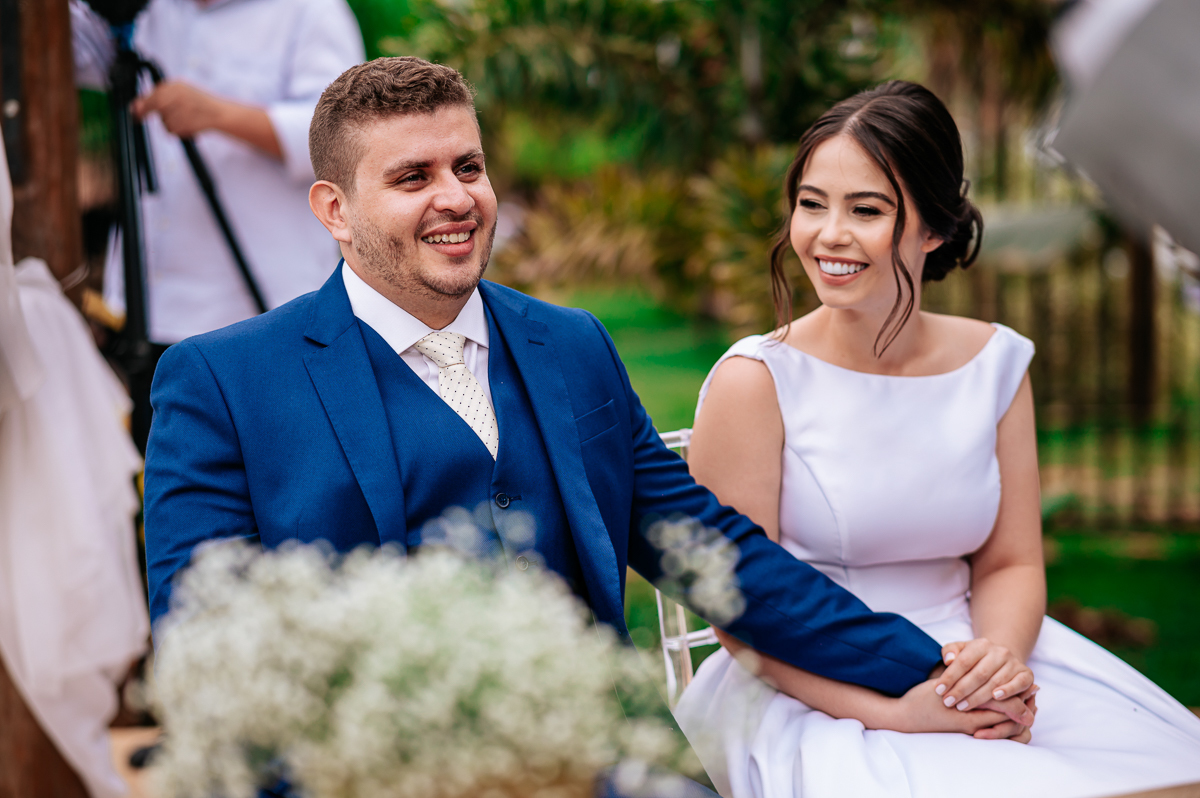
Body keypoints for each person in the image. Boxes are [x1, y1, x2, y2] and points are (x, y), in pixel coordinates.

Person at [143, 58, 1041, 779]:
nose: (455, 197)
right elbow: (204, 641)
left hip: (597, 761)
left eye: (469, 166)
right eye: (412, 177)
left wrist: (929, 666)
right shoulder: (221, 381)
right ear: (334, 210)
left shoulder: (570, 346)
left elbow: (716, 553)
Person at [671, 80, 1200, 798]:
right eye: (811, 203)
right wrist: (902, 713)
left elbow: (1012, 560)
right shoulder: (754, 383)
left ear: (935, 229)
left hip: (981, 648)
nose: (828, 234)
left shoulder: (995, 364)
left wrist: (994, 667)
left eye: (867, 209)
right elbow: (740, 616)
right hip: (811, 680)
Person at [71, 0, 365, 345]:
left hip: (258, 310)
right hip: (146, 306)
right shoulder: (149, 9)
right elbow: (64, 54)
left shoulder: (311, 11)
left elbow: (346, 136)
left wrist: (217, 114)